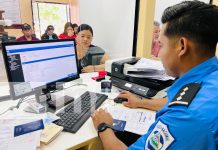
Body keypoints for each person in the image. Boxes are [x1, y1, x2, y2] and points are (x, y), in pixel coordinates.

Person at [91, 1, 218, 149]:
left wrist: (104, 126)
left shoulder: (186, 118)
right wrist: (139, 102)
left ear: (182, 46)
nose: (159, 53)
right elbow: (177, 99)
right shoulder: (211, 77)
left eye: (162, 45)